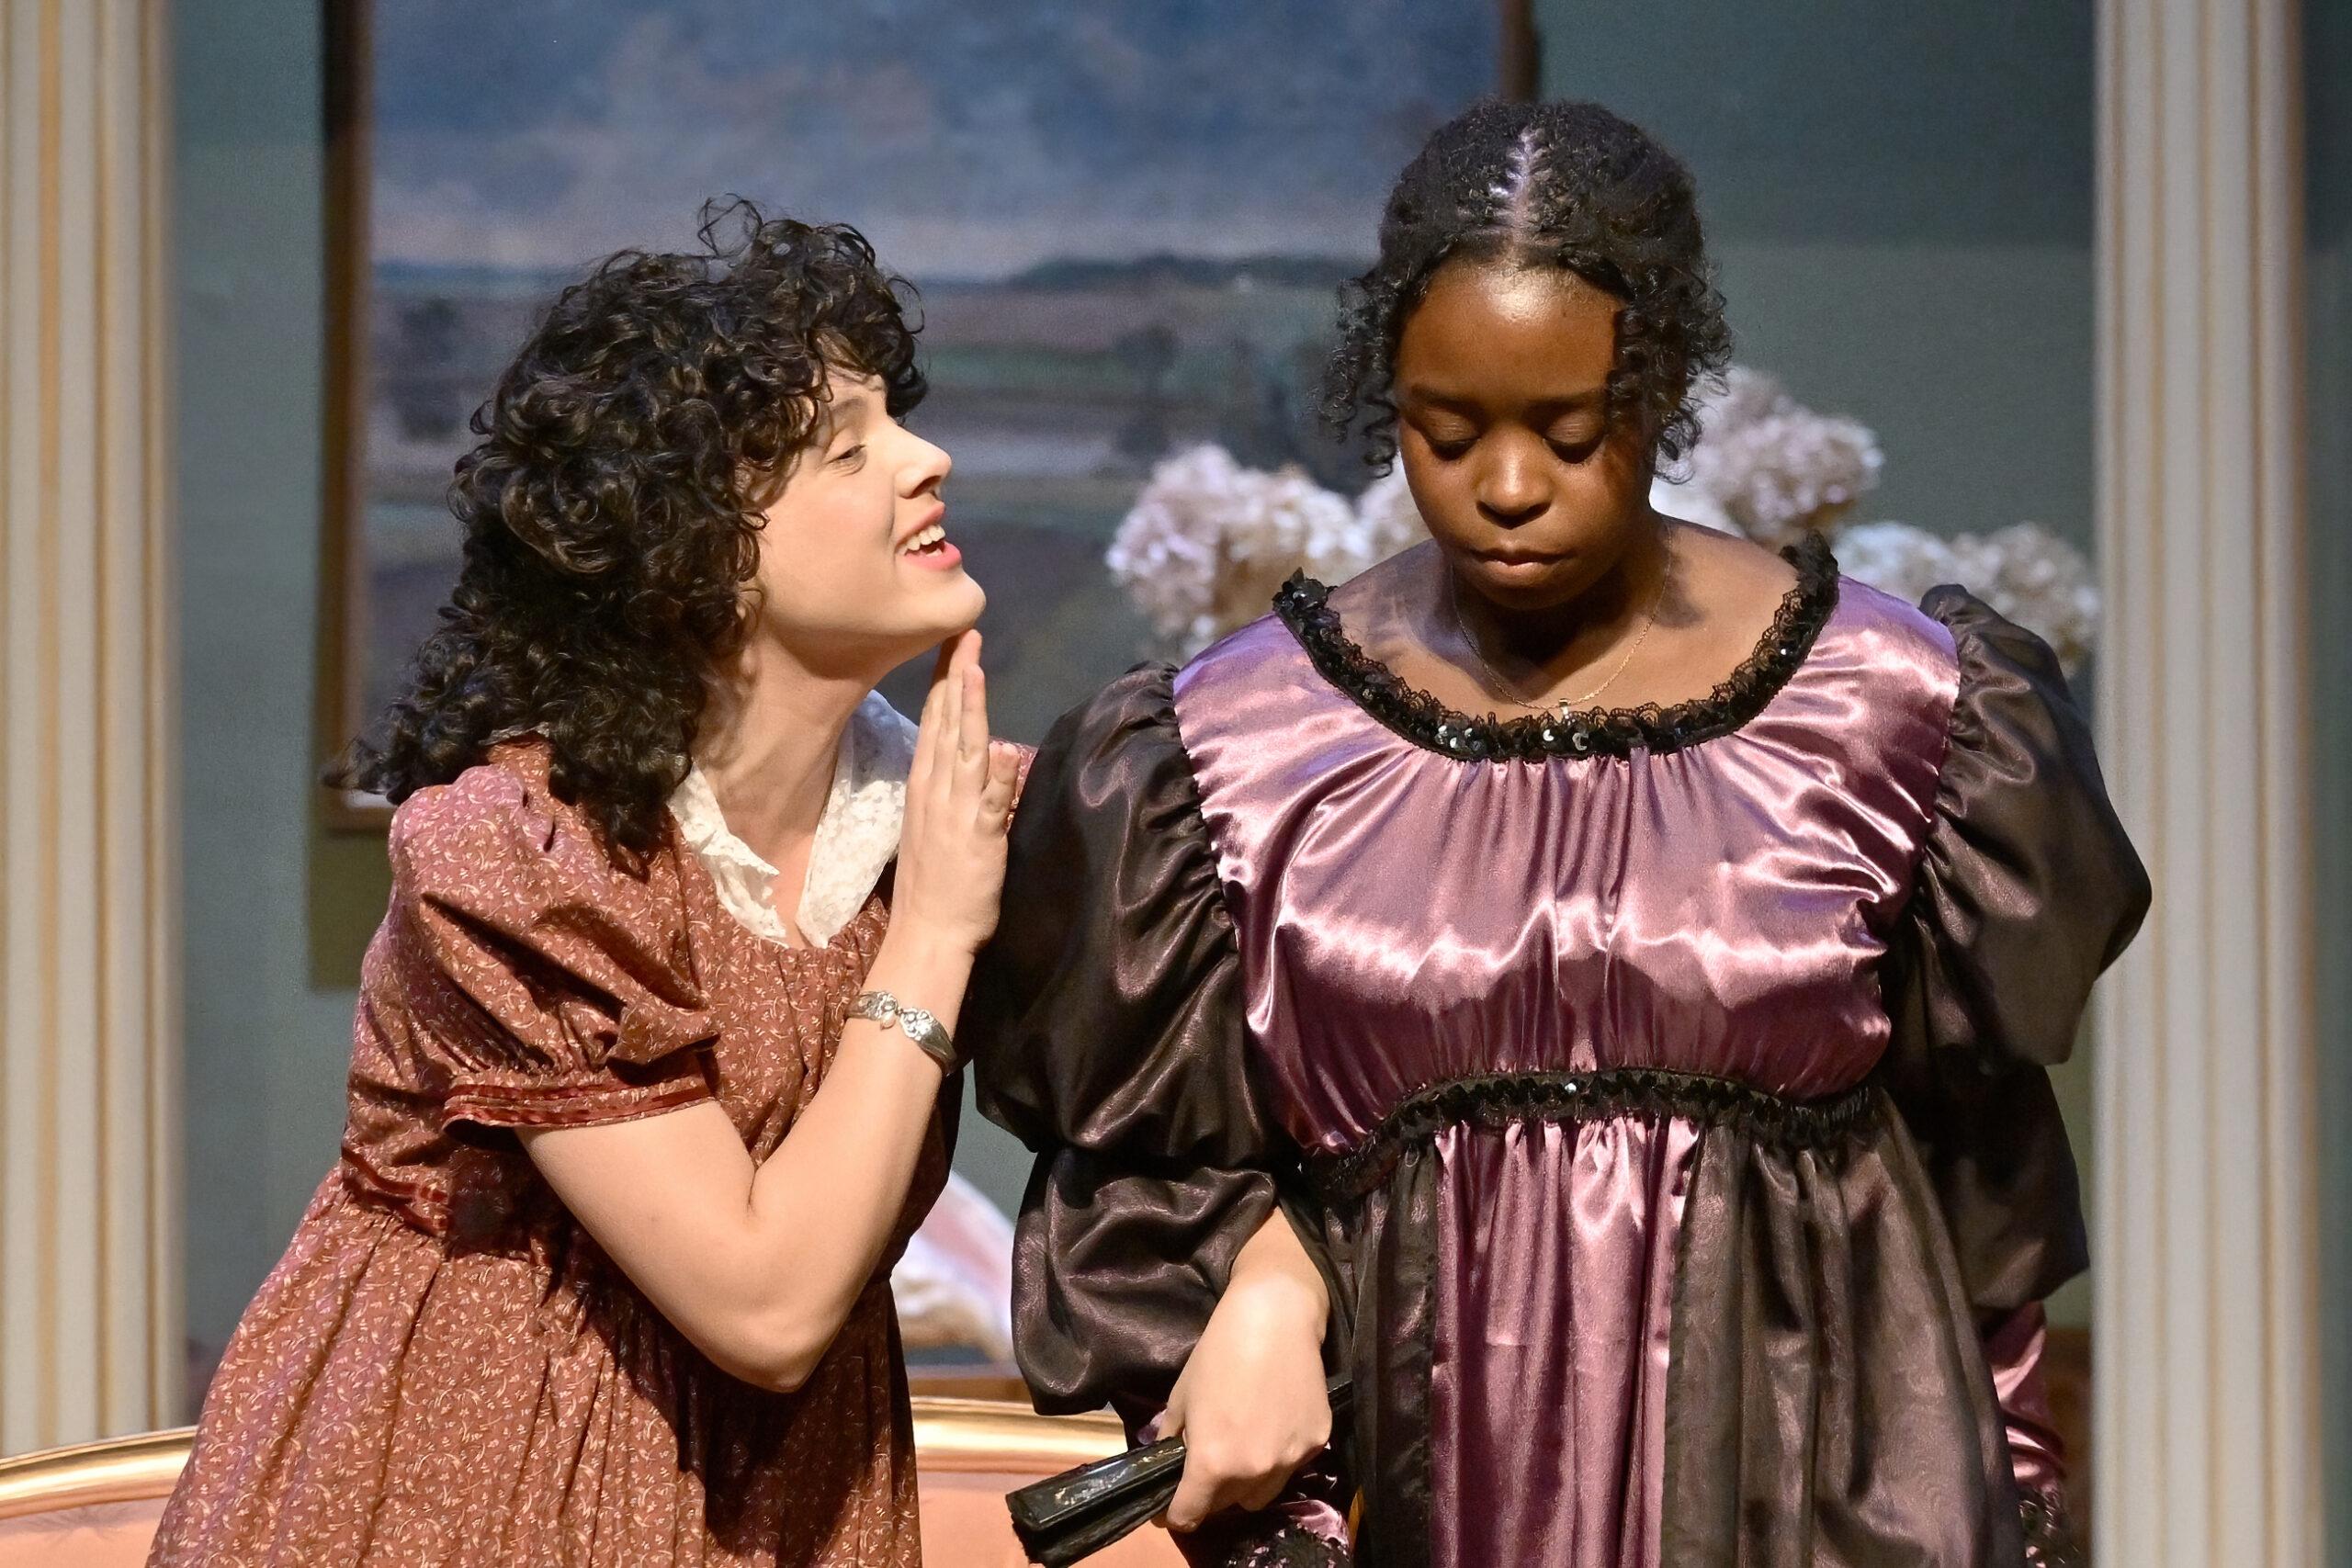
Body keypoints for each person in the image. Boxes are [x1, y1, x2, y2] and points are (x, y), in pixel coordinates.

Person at [965, 101, 2144, 1568]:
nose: (1509, 487)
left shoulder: (1896, 713)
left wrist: (2017, 1498)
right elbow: (1148, 1179)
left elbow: (1981, 1186)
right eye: (1446, 432)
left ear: (1660, 390)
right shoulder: (1227, 754)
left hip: (1822, 1507)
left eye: (1570, 432)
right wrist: (1264, 1278)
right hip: (1435, 1504)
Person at [149, 205, 1022, 1567]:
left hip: (793, 1504)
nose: (929, 459)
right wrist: (936, 934)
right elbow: (765, 1305)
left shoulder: (943, 824)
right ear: (698, 552)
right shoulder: (519, 857)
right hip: (469, 1500)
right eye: (849, 448)